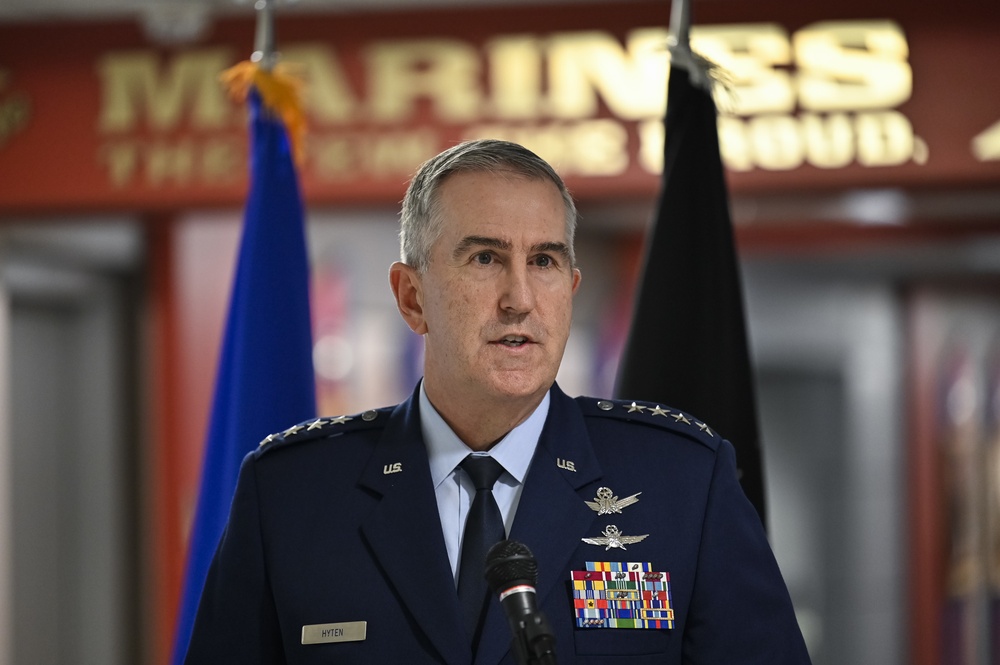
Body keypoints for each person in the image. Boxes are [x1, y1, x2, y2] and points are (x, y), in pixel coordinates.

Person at [184, 139, 811, 664]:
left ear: (569, 290)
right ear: (411, 297)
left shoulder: (683, 483)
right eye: (485, 258)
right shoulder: (292, 494)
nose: (519, 298)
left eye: (543, 261)